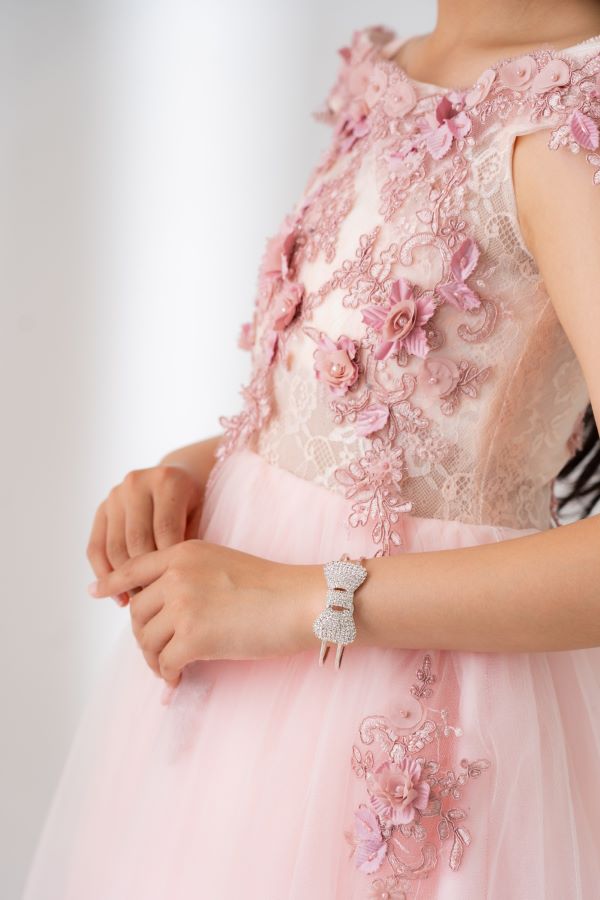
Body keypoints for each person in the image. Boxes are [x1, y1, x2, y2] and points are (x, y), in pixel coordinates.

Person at [22, 1, 600, 897]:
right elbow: (371, 415)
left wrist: (303, 600)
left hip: (405, 718)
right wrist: (194, 470)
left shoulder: (568, 119)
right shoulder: (402, 65)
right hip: (233, 698)